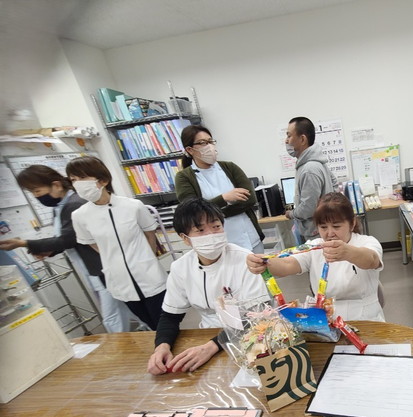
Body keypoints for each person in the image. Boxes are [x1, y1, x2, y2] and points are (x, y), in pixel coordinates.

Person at [0, 165, 132, 333]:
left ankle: (130, 343)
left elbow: (67, 239)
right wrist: (51, 250)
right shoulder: (61, 207)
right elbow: (72, 238)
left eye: (37, 191)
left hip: (103, 266)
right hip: (94, 267)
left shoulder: (74, 204)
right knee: (124, 310)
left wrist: (23, 243)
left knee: (113, 317)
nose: (36, 196)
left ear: (56, 185)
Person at [147, 198, 268, 375]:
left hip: (246, 336)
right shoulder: (180, 268)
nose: (211, 234)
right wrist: (161, 346)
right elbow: (170, 316)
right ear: (185, 238)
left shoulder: (245, 259)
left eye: (216, 226)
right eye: (200, 230)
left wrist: (212, 346)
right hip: (206, 336)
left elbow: (258, 315)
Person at [247, 192, 384, 321]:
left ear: (352, 223)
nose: (330, 233)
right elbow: (287, 264)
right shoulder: (314, 247)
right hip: (327, 320)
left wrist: (348, 252)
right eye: (323, 227)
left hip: (366, 319)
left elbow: (371, 260)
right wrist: (264, 262)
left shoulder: (367, 242)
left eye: (336, 226)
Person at [68, 156, 167, 330]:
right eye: (73, 180)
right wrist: (113, 258)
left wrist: (146, 258)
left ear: (103, 180)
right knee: (151, 325)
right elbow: (93, 244)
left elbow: (150, 235)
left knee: (166, 323)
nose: (77, 184)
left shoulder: (133, 206)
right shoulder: (79, 216)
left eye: (82, 178)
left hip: (149, 274)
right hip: (119, 280)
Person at [174, 125, 264, 254]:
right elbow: (193, 211)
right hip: (215, 244)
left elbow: (250, 199)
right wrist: (224, 198)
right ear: (190, 150)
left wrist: (212, 214)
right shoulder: (184, 177)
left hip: (249, 237)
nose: (209, 146)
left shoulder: (230, 167)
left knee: (258, 266)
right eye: (202, 143)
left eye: (210, 141)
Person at [284, 116, 337, 241]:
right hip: (321, 226)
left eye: (289, 136)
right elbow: (334, 183)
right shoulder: (315, 162)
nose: (286, 141)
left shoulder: (309, 169)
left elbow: (308, 208)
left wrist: (291, 214)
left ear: (302, 139)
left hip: (316, 232)